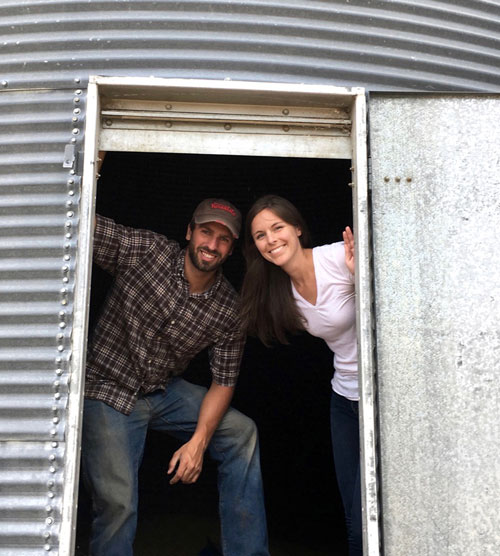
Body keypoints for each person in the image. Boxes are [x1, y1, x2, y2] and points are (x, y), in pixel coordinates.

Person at [82, 198, 269, 556]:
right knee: (118, 502)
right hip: (106, 388)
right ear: (189, 231)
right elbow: (80, 223)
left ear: (231, 249)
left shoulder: (229, 308)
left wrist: (199, 442)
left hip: (162, 393)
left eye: (223, 239)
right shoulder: (146, 251)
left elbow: (224, 381)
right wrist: (92, 162)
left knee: (242, 432)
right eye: (205, 232)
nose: (212, 245)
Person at [240, 195, 361, 556]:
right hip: (343, 399)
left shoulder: (339, 257)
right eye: (260, 235)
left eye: (277, 228)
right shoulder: (279, 291)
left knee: (370, 516)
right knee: (355, 524)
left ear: (297, 229)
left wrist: (364, 277)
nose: (270, 239)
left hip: (381, 399)